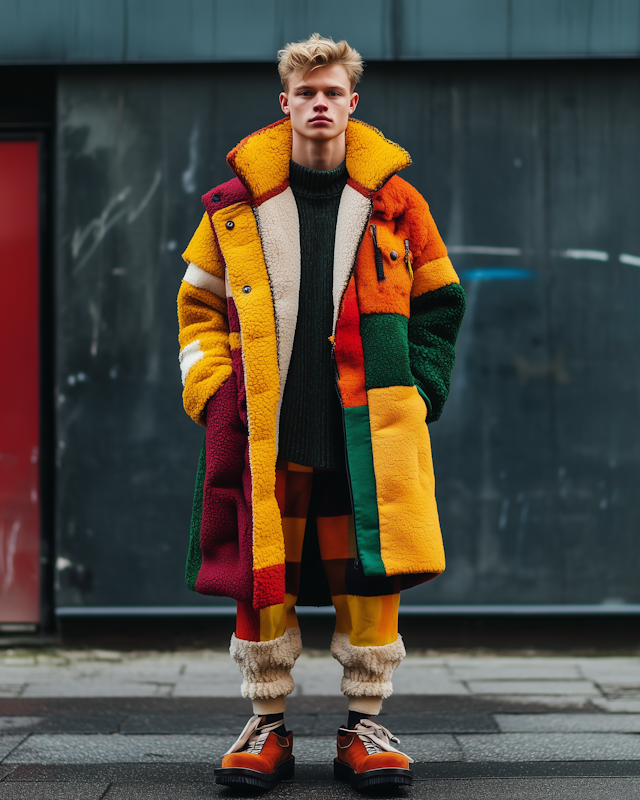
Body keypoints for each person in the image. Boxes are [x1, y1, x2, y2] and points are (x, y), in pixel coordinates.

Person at [177, 33, 465, 792]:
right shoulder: (233, 208)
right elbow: (197, 308)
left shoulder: (397, 206)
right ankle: (265, 728)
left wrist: (419, 390)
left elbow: (442, 304)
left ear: (350, 104)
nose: (319, 103)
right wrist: (211, 393)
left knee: (370, 582)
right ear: (286, 103)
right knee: (262, 580)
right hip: (266, 438)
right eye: (306, 92)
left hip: (367, 434)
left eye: (332, 92)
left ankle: (364, 726)